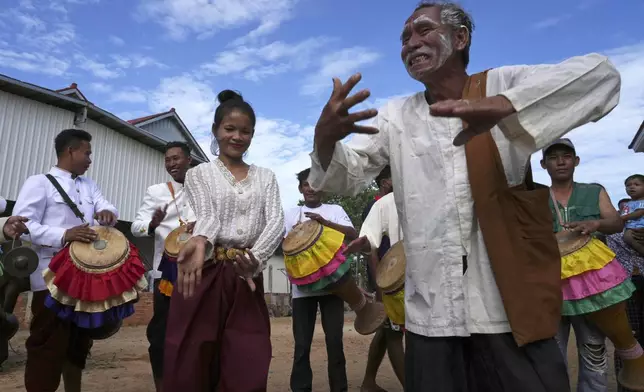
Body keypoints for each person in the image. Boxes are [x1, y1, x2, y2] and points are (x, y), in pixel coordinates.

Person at [306, 1, 621, 390]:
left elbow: (603, 77)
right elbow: (344, 177)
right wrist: (324, 140)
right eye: (404, 37)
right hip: (430, 315)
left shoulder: (503, 83)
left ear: (460, 38)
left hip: (506, 309)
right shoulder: (396, 117)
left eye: (423, 30)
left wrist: (508, 106)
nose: (410, 43)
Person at [162, 90, 284, 392]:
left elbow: (276, 221)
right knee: (193, 356)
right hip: (207, 272)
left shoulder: (266, 177)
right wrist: (201, 239)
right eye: (230, 129)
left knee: (247, 358)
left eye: (245, 131)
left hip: (246, 276)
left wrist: (254, 259)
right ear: (216, 130)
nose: (237, 136)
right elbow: (209, 215)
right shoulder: (199, 174)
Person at [12, 128, 118, 392]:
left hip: (86, 277)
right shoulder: (39, 183)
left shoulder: (90, 185)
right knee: (48, 343)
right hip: (51, 278)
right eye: (87, 152)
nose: (90, 159)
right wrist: (64, 234)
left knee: (79, 343)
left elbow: (107, 205)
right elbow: (24, 226)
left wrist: (107, 211)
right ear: (70, 151)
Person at [541, 138, 624, 392]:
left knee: (594, 348)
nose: (561, 161)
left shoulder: (594, 190)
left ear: (576, 161)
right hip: (550, 284)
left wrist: (596, 224)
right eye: (553, 157)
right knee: (551, 354)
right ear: (544, 164)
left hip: (591, 285)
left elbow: (617, 223)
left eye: (566, 156)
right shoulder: (537, 197)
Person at [130, 141, 196, 392]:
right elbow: (137, 225)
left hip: (201, 270)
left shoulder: (205, 190)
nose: (171, 164)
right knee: (161, 335)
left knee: (197, 332)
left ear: (189, 160)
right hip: (166, 274)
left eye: (176, 158)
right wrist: (152, 225)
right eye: (167, 159)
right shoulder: (156, 191)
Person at [285, 167, 357, 392]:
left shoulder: (334, 210)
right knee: (302, 346)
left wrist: (324, 223)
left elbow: (353, 235)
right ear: (301, 188)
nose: (311, 188)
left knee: (335, 344)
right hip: (301, 290)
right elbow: (282, 245)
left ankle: (339, 388)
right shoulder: (290, 214)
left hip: (333, 288)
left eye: (315, 184)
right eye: (306, 184)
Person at [353, 166, 404, 392]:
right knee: (392, 331)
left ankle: (368, 382)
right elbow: (370, 247)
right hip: (387, 279)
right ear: (385, 182)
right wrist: (379, 285)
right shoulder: (377, 206)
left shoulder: (404, 202)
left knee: (386, 330)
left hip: (400, 276)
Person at [621, 174, 644, 256]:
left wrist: (623, 218)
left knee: (628, 237)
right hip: (631, 227)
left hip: (640, 226)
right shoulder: (628, 203)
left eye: (636, 184)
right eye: (628, 185)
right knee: (627, 237)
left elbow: (640, 212)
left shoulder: (642, 201)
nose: (631, 187)